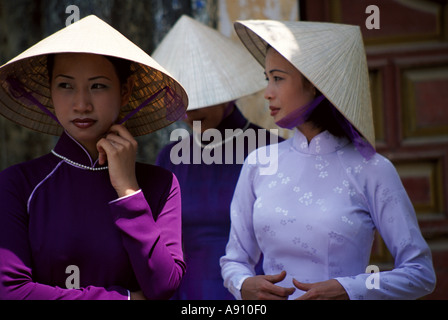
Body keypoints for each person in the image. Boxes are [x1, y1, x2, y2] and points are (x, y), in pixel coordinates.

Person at [220, 20, 436, 300]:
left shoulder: (372, 169)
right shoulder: (258, 164)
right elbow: (234, 260)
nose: (267, 93)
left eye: (278, 78)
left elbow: (420, 272)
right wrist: (242, 284)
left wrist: (351, 288)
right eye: (267, 78)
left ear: (315, 84)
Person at [0, 15, 188, 300]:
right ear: (50, 92)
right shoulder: (18, 184)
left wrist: (128, 190)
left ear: (125, 92)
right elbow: (10, 291)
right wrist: (123, 298)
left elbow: (163, 286)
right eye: (65, 85)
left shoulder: (160, 184)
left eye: (98, 86)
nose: (81, 104)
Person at [154, 15, 282, 299]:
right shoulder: (171, 158)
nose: (189, 113)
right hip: (187, 295)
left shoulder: (273, 151)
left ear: (227, 90)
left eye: (201, 97)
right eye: (180, 101)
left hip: (258, 294)